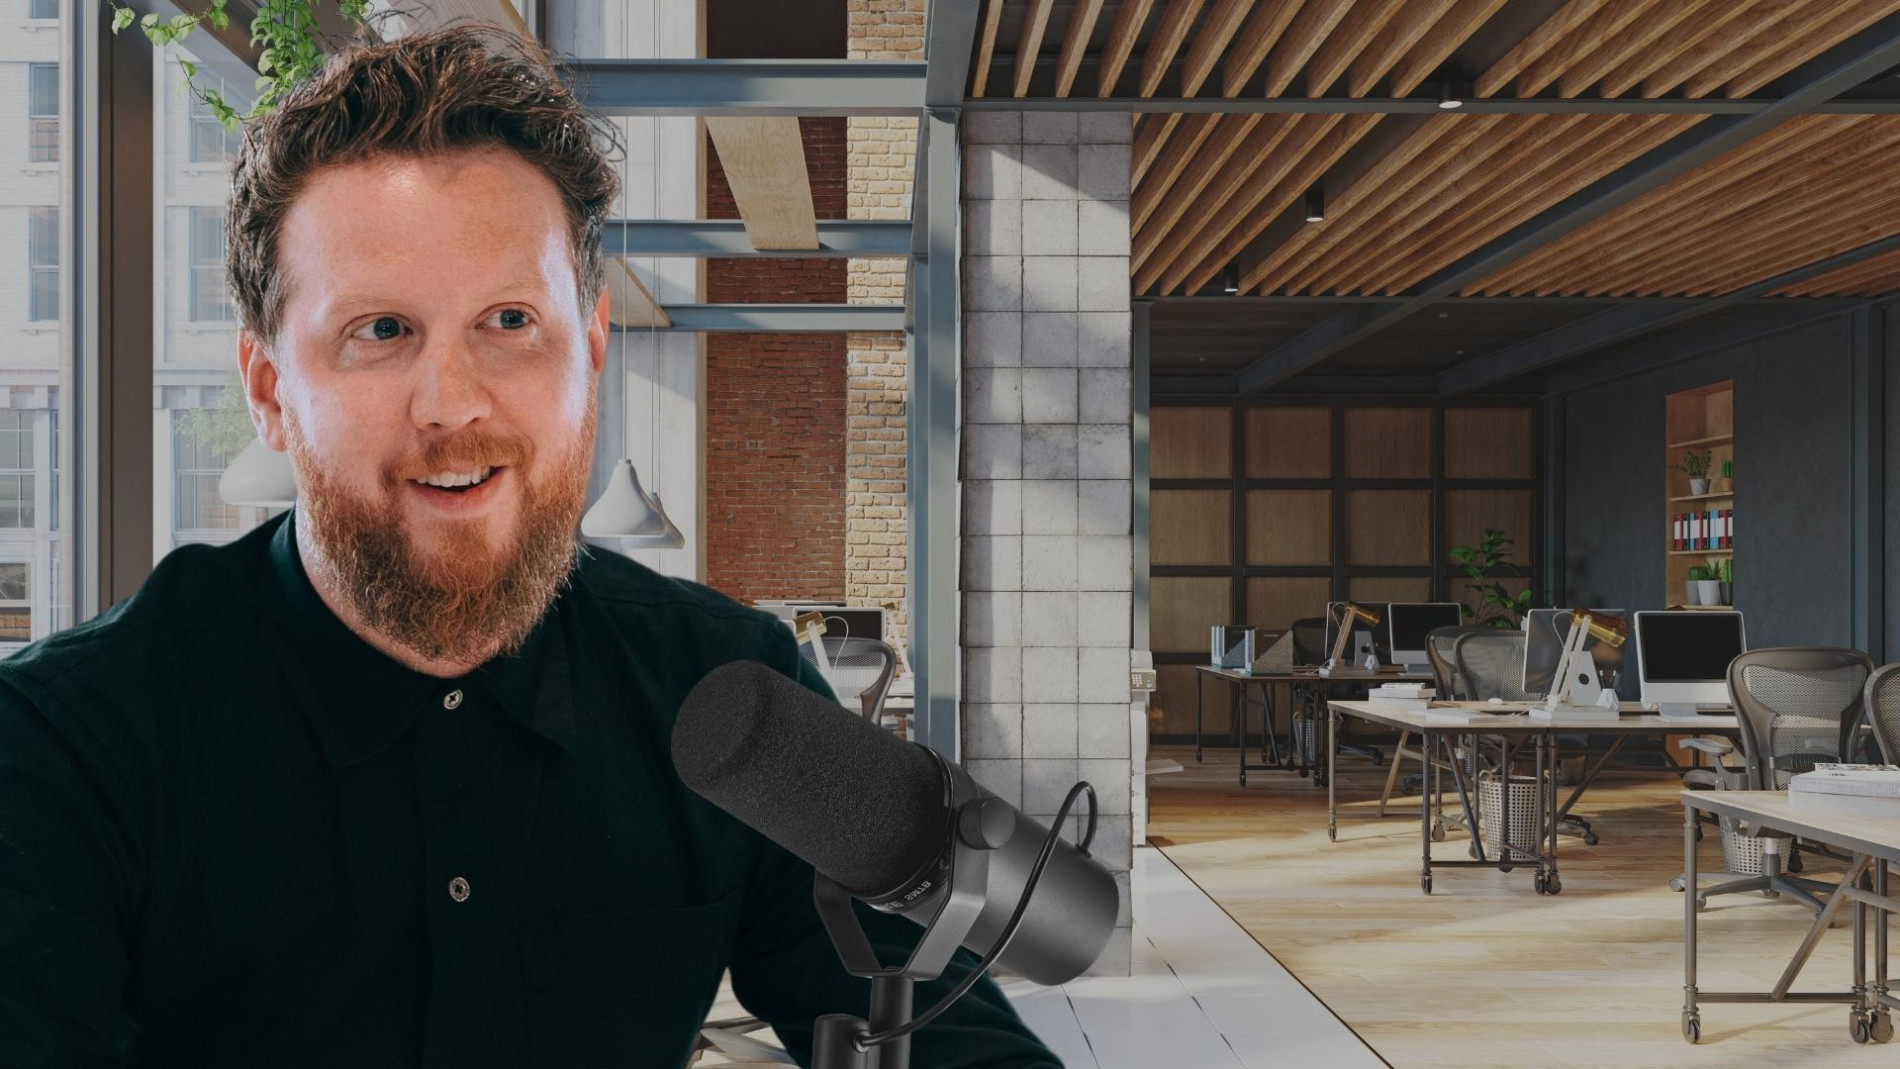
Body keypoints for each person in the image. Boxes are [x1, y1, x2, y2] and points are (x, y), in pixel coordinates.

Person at [0, 25, 1059, 1068]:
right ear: (271, 389)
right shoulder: (63, 747)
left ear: (589, 351)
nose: (453, 406)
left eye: (509, 321)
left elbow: (959, 1043)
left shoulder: (737, 701)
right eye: (380, 331)